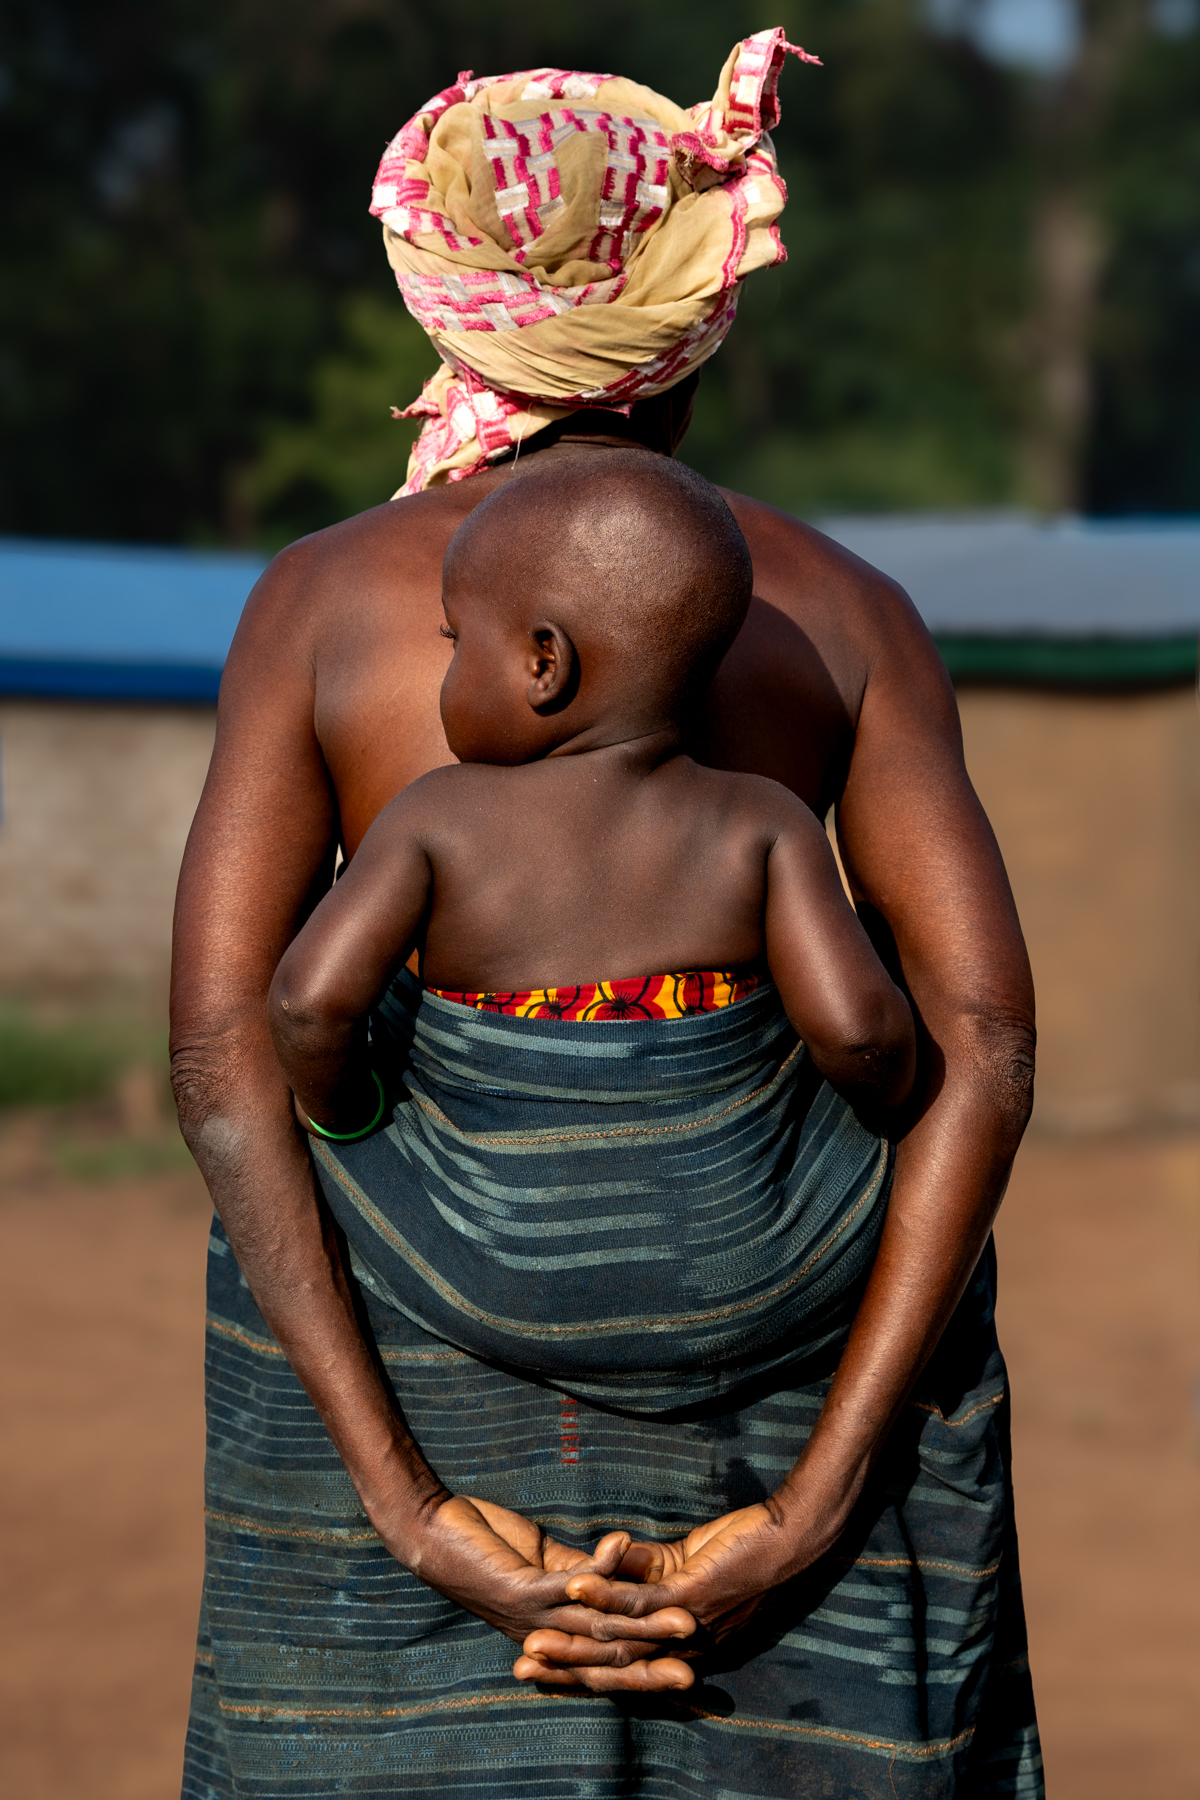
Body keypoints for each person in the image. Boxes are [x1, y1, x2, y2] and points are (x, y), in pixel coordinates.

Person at [173, 31, 1042, 1800]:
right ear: (691, 315)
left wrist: (412, 1508)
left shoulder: (327, 608)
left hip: (418, 1390)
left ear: (449, 304)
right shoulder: (838, 615)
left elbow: (227, 1044)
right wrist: (808, 1512)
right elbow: (975, 1041)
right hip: (796, 1382)